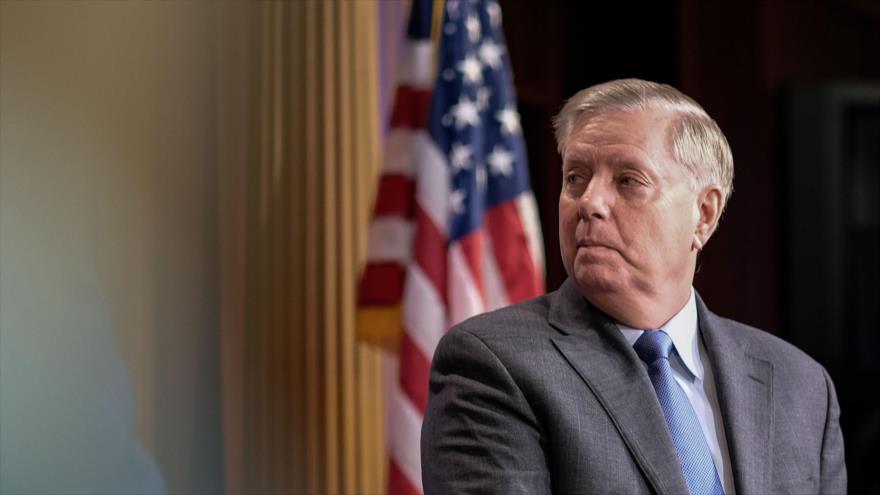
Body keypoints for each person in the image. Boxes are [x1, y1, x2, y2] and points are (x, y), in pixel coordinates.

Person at [421, 79, 846, 494]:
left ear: (704, 213)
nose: (589, 202)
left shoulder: (801, 385)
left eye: (628, 180)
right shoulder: (493, 364)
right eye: (575, 178)